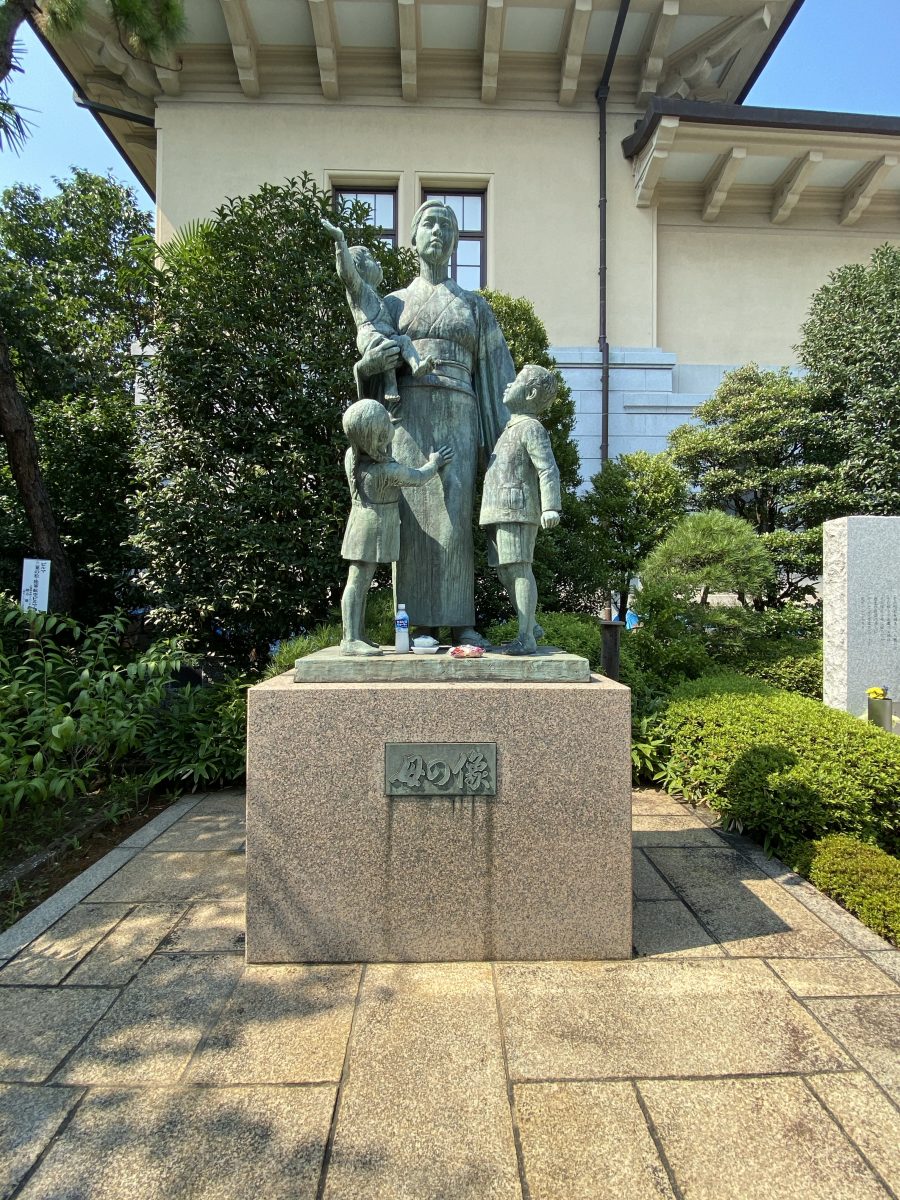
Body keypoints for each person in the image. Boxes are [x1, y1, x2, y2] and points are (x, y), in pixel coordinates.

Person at [353, 199, 514, 645]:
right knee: (412, 514)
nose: (438, 232)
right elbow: (370, 362)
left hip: (460, 414)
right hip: (408, 416)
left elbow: (498, 376)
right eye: (429, 223)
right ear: (413, 236)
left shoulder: (474, 306)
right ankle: (416, 624)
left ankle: (462, 622)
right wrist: (368, 367)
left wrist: (505, 441)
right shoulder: (391, 302)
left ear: (456, 241)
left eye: (447, 225)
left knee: (456, 514)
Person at [339, 398, 452, 656]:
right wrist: (434, 462)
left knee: (358, 582)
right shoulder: (386, 470)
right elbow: (419, 477)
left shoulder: (352, 457)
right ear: (379, 437)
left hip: (359, 522)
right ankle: (349, 640)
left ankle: (356, 635)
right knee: (357, 582)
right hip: (373, 528)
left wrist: (383, 423)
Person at [479, 364, 561, 655]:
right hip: (498, 510)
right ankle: (531, 624)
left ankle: (526, 635)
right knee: (504, 571)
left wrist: (550, 506)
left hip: (516, 508)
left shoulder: (530, 427)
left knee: (519, 567)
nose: (507, 385)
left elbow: (547, 468)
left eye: (515, 381)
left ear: (531, 393)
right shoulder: (511, 426)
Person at [321, 217, 433, 402]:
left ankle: (417, 365)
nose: (379, 264)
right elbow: (346, 274)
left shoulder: (384, 297)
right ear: (358, 267)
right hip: (370, 334)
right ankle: (390, 387)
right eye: (372, 260)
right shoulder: (359, 289)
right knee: (385, 348)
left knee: (403, 340)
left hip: (386, 333)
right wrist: (340, 241)